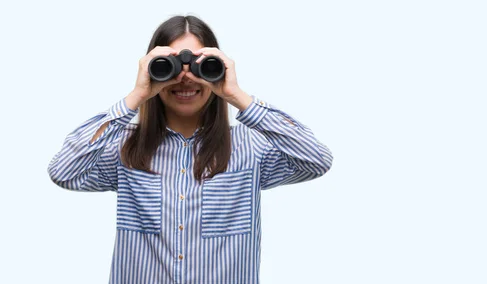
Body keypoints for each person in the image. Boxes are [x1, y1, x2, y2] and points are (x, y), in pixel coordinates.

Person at [47, 14, 333, 283]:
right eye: (169, 65)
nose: (185, 77)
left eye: (200, 64)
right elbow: (63, 171)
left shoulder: (251, 148)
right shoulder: (125, 147)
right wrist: (137, 95)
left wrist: (237, 95)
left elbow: (317, 160)